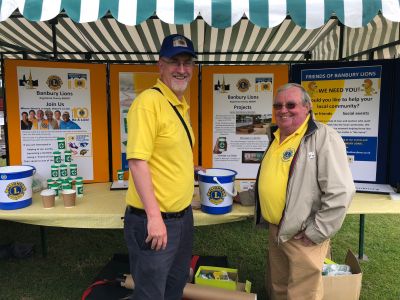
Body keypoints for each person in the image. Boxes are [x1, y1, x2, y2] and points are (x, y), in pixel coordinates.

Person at [254, 83, 355, 300]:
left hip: (302, 234)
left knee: (303, 293)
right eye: (278, 105)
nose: (283, 110)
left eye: (291, 105)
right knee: (278, 287)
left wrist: (316, 231)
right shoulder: (276, 136)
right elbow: (277, 178)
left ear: (307, 107)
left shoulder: (323, 136)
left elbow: (341, 192)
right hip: (277, 230)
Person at [124, 34, 198, 300]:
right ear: (160, 66)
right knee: (150, 294)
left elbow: (165, 154)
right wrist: (155, 218)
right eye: (174, 62)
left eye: (187, 62)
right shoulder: (148, 103)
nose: (181, 69)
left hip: (181, 218)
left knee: (174, 287)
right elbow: (137, 161)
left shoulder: (177, 104)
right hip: (155, 221)